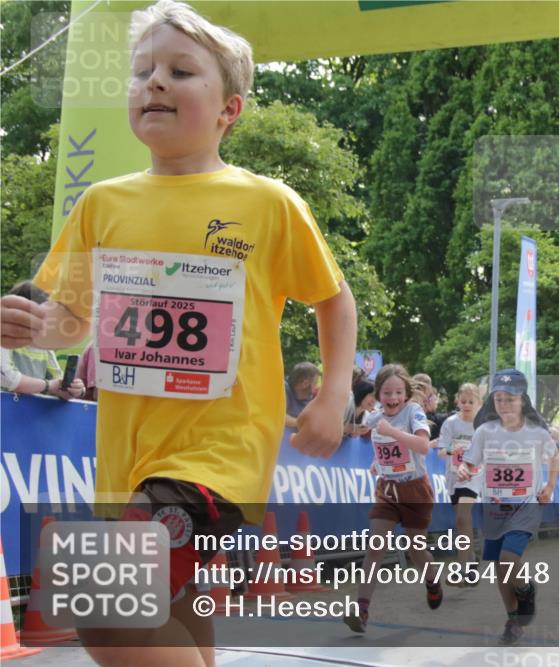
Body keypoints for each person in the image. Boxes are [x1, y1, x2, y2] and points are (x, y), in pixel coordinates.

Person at [0, 2, 357, 664]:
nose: (155, 82)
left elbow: (333, 299)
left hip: (219, 455)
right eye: (142, 71)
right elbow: (70, 321)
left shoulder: (268, 203)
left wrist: (333, 395)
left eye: (181, 71)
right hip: (130, 458)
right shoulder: (100, 204)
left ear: (230, 109)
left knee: (104, 601)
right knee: (171, 604)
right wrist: (30, 325)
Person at [458, 369, 559, 645]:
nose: (504, 404)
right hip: (493, 507)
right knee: (499, 568)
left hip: (525, 506)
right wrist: (465, 470)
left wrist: (549, 487)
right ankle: (513, 619)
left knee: (508, 560)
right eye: (499, 399)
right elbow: (470, 462)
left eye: (510, 399)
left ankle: (526, 590)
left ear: (523, 400)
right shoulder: (484, 431)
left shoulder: (536, 433)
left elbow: (554, 458)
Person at [344, 364, 442, 634]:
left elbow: (422, 446)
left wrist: (392, 432)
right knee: (375, 547)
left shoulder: (413, 411)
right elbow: (367, 436)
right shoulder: (375, 417)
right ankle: (361, 610)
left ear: (406, 394)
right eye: (387, 392)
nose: (393, 398)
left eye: (398, 392)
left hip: (415, 490)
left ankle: (432, 581)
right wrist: (379, 461)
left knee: (416, 550)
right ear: (378, 395)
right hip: (387, 490)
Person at [0, 282, 86, 400]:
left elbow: (59, 383)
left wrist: (75, 389)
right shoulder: (5, 339)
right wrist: (48, 386)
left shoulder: (44, 347)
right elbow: (9, 378)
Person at [437, 383, 483, 585]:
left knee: (463, 518)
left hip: (474, 476)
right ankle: (471, 562)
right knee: (462, 522)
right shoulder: (450, 423)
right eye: (463, 401)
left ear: (479, 403)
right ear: (458, 401)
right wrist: (452, 450)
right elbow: (440, 452)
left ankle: (460, 570)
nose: (466, 405)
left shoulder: (483, 426)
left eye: (471, 402)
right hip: (454, 476)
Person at [285, 361, 321, 429]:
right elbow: (279, 416)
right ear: (305, 383)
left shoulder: (311, 395)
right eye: (315, 383)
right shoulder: (283, 389)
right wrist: (303, 423)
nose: (316, 386)